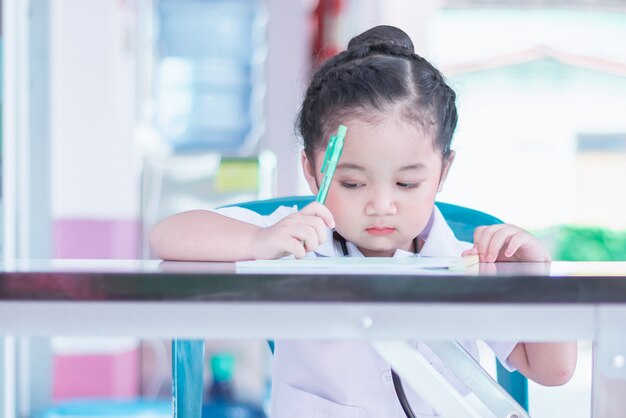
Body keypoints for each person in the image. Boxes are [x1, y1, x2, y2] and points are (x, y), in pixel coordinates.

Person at [151, 25, 577, 417]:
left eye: (407, 184)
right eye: (352, 183)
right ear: (312, 170)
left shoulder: (470, 259)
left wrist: (534, 278)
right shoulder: (296, 236)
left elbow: (553, 371)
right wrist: (261, 241)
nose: (381, 204)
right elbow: (167, 235)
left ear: (443, 172)